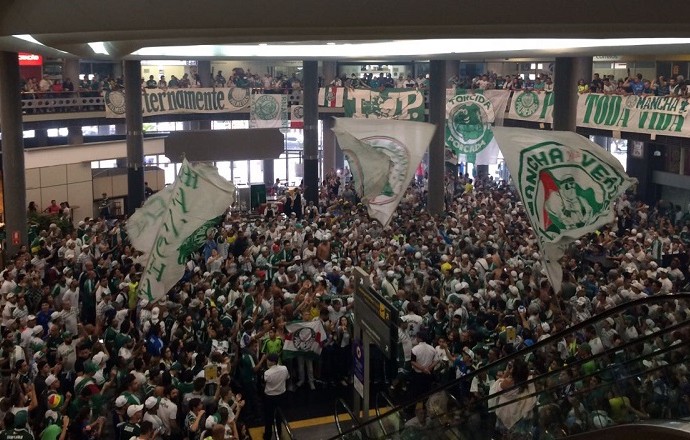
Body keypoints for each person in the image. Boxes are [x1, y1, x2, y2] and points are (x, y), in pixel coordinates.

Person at [262, 353, 289, 440]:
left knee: (268, 417)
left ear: (271, 362)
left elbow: (264, 381)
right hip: (281, 395)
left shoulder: (267, 373)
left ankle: (268, 435)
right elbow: (287, 377)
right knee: (279, 416)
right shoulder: (284, 368)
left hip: (270, 397)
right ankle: (279, 432)